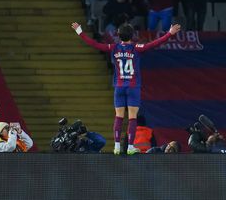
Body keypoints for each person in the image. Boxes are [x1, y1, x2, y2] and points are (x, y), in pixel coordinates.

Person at [71, 21, 180, 155]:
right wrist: (169, 33)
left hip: (119, 87)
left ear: (118, 35)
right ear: (132, 35)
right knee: (132, 118)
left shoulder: (114, 47)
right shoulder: (137, 48)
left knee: (119, 117)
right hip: (133, 87)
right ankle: (130, 147)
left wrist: (80, 32)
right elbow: (154, 44)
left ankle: (116, 146)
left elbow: (95, 44)